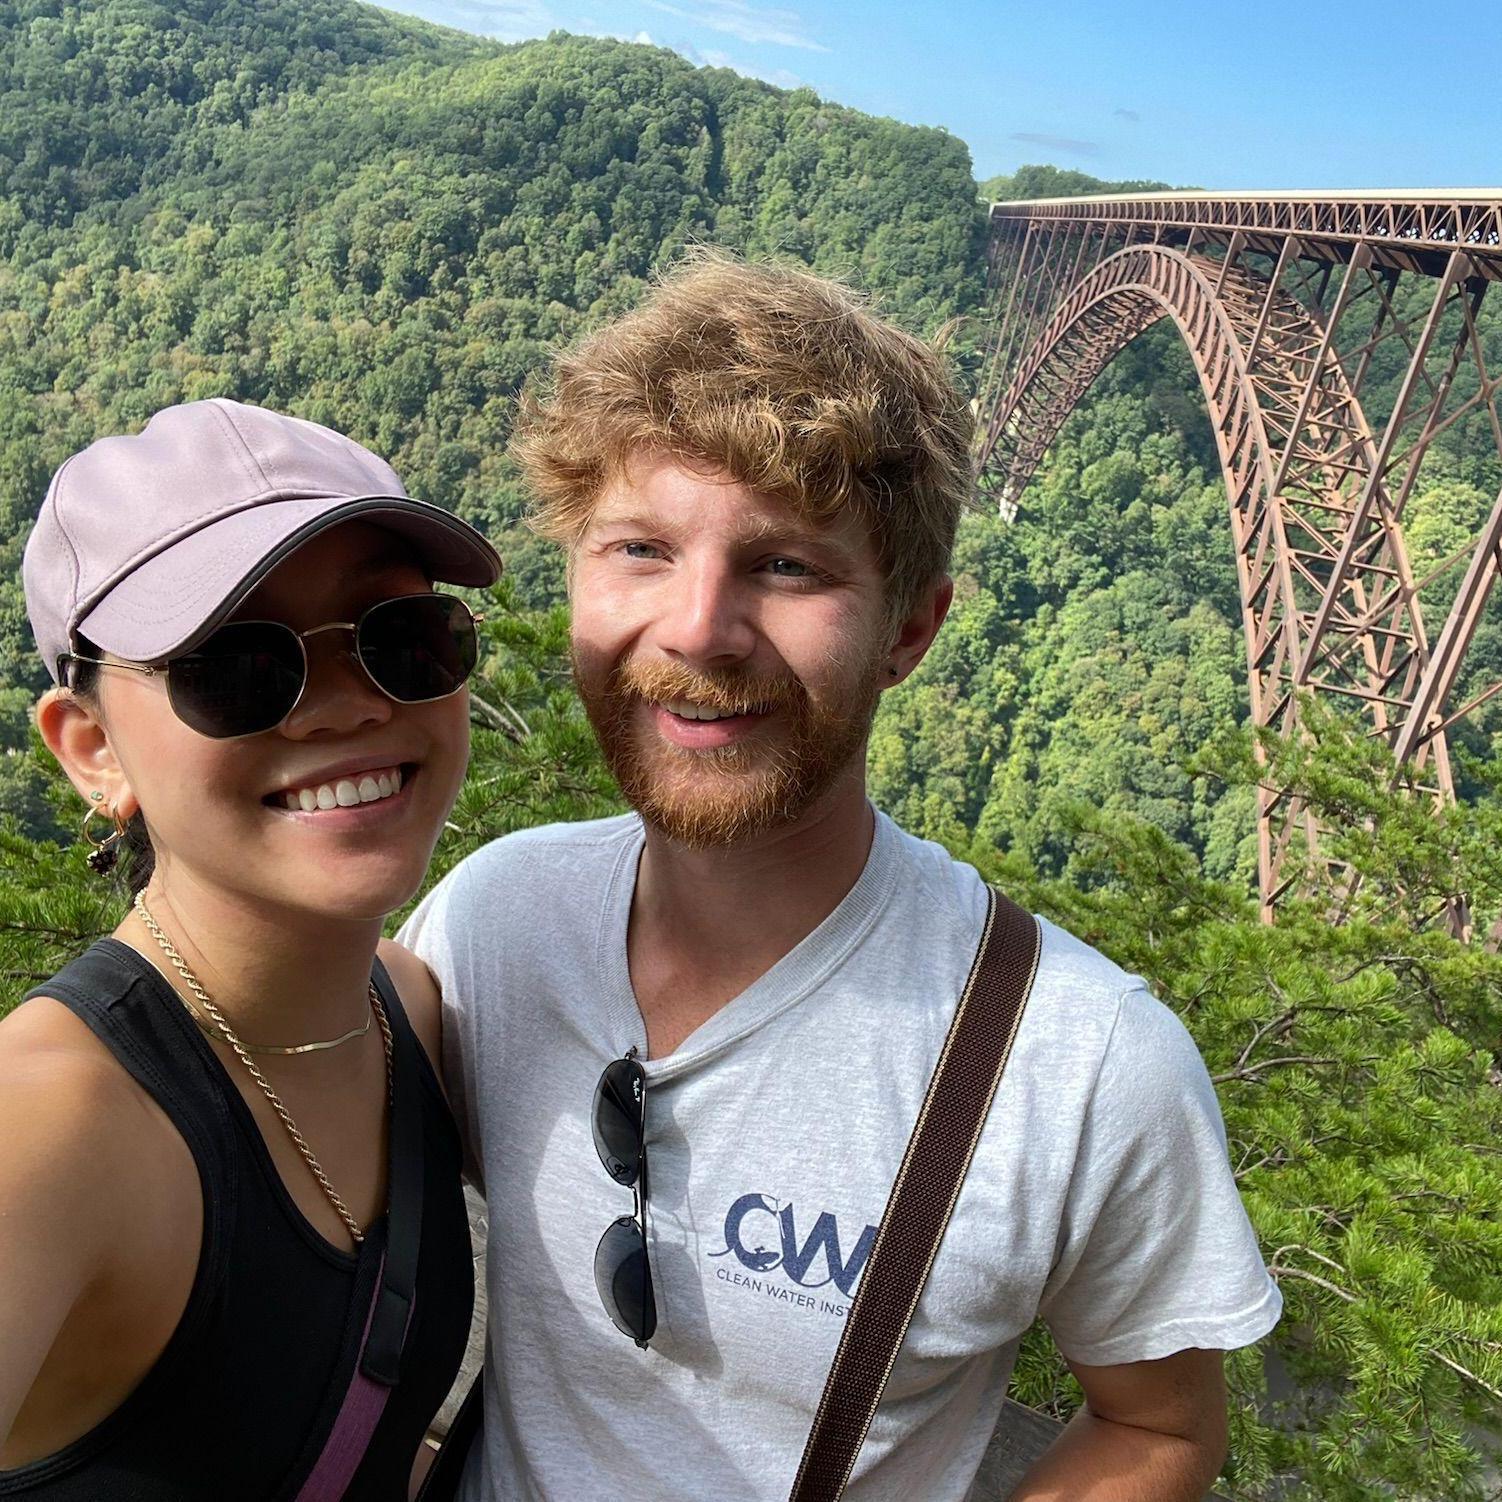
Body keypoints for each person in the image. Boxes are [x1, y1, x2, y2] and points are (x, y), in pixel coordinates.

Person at [400, 250, 1283, 1502]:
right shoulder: (489, 917)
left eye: (787, 565)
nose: (698, 627)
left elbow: (1157, 1427)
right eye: (639, 547)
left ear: (910, 628)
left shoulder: (1083, 1062)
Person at [0, 399, 500, 1499]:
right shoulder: (44, 1127)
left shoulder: (403, 1009)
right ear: (91, 751)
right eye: (233, 665)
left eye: (398, 636)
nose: (337, 708)